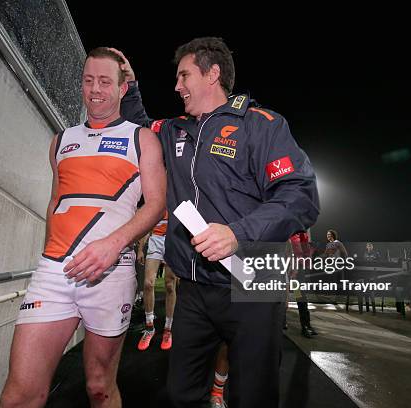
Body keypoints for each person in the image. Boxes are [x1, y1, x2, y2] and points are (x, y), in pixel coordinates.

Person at [115, 37, 320, 407]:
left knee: (252, 396)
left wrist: (238, 233)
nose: (177, 86)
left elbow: (300, 196)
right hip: (194, 287)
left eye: (184, 76)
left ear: (212, 74)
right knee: (181, 393)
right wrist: (129, 86)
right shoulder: (174, 130)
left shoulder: (261, 125)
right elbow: (139, 128)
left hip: (253, 286)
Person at [0, 47, 166, 408]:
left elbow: (156, 204)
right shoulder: (60, 140)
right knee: (18, 397)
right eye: (88, 80)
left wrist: (114, 243)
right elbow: (55, 202)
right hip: (54, 272)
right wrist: (50, 255)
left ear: (123, 88)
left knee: (99, 388)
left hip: (110, 273)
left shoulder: (143, 139)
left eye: (105, 81)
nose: (95, 89)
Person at [137, 211, 178, 351]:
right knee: (148, 283)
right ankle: (149, 327)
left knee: (169, 285)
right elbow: (147, 226)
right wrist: (140, 250)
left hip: (173, 241)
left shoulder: (177, 196)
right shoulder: (157, 198)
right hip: (156, 239)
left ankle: (168, 328)